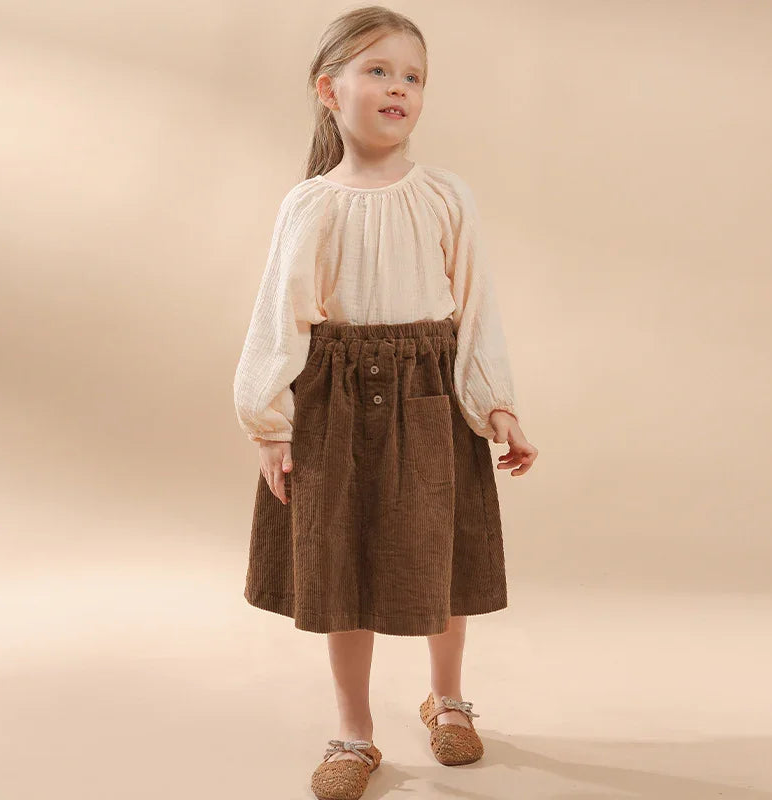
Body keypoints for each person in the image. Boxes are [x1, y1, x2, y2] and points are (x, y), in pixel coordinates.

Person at [232, 7, 538, 799]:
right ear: (329, 91)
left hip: (430, 393)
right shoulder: (311, 204)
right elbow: (279, 316)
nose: (398, 88)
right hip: (334, 401)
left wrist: (495, 404)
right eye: (379, 71)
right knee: (342, 564)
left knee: (441, 554)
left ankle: (448, 698)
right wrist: (271, 425)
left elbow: (475, 309)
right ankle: (354, 731)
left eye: (412, 76)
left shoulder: (446, 196)